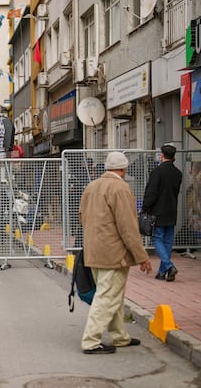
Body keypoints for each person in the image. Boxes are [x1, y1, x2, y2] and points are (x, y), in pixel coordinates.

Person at [79, 151, 152, 354]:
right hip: (114, 253)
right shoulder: (120, 188)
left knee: (114, 297)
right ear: (123, 168)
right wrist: (141, 256)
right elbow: (128, 226)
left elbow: (81, 216)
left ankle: (120, 337)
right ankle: (91, 341)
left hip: (93, 251)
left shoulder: (91, 186)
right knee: (107, 297)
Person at [143, 144, 183, 281]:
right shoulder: (178, 173)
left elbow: (151, 192)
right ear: (174, 157)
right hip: (172, 210)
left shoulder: (157, 172)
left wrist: (145, 208)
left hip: (158, 211)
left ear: (162, 155)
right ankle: (161, 273)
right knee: (167, 242)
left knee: (157, 239)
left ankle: (169, 266)